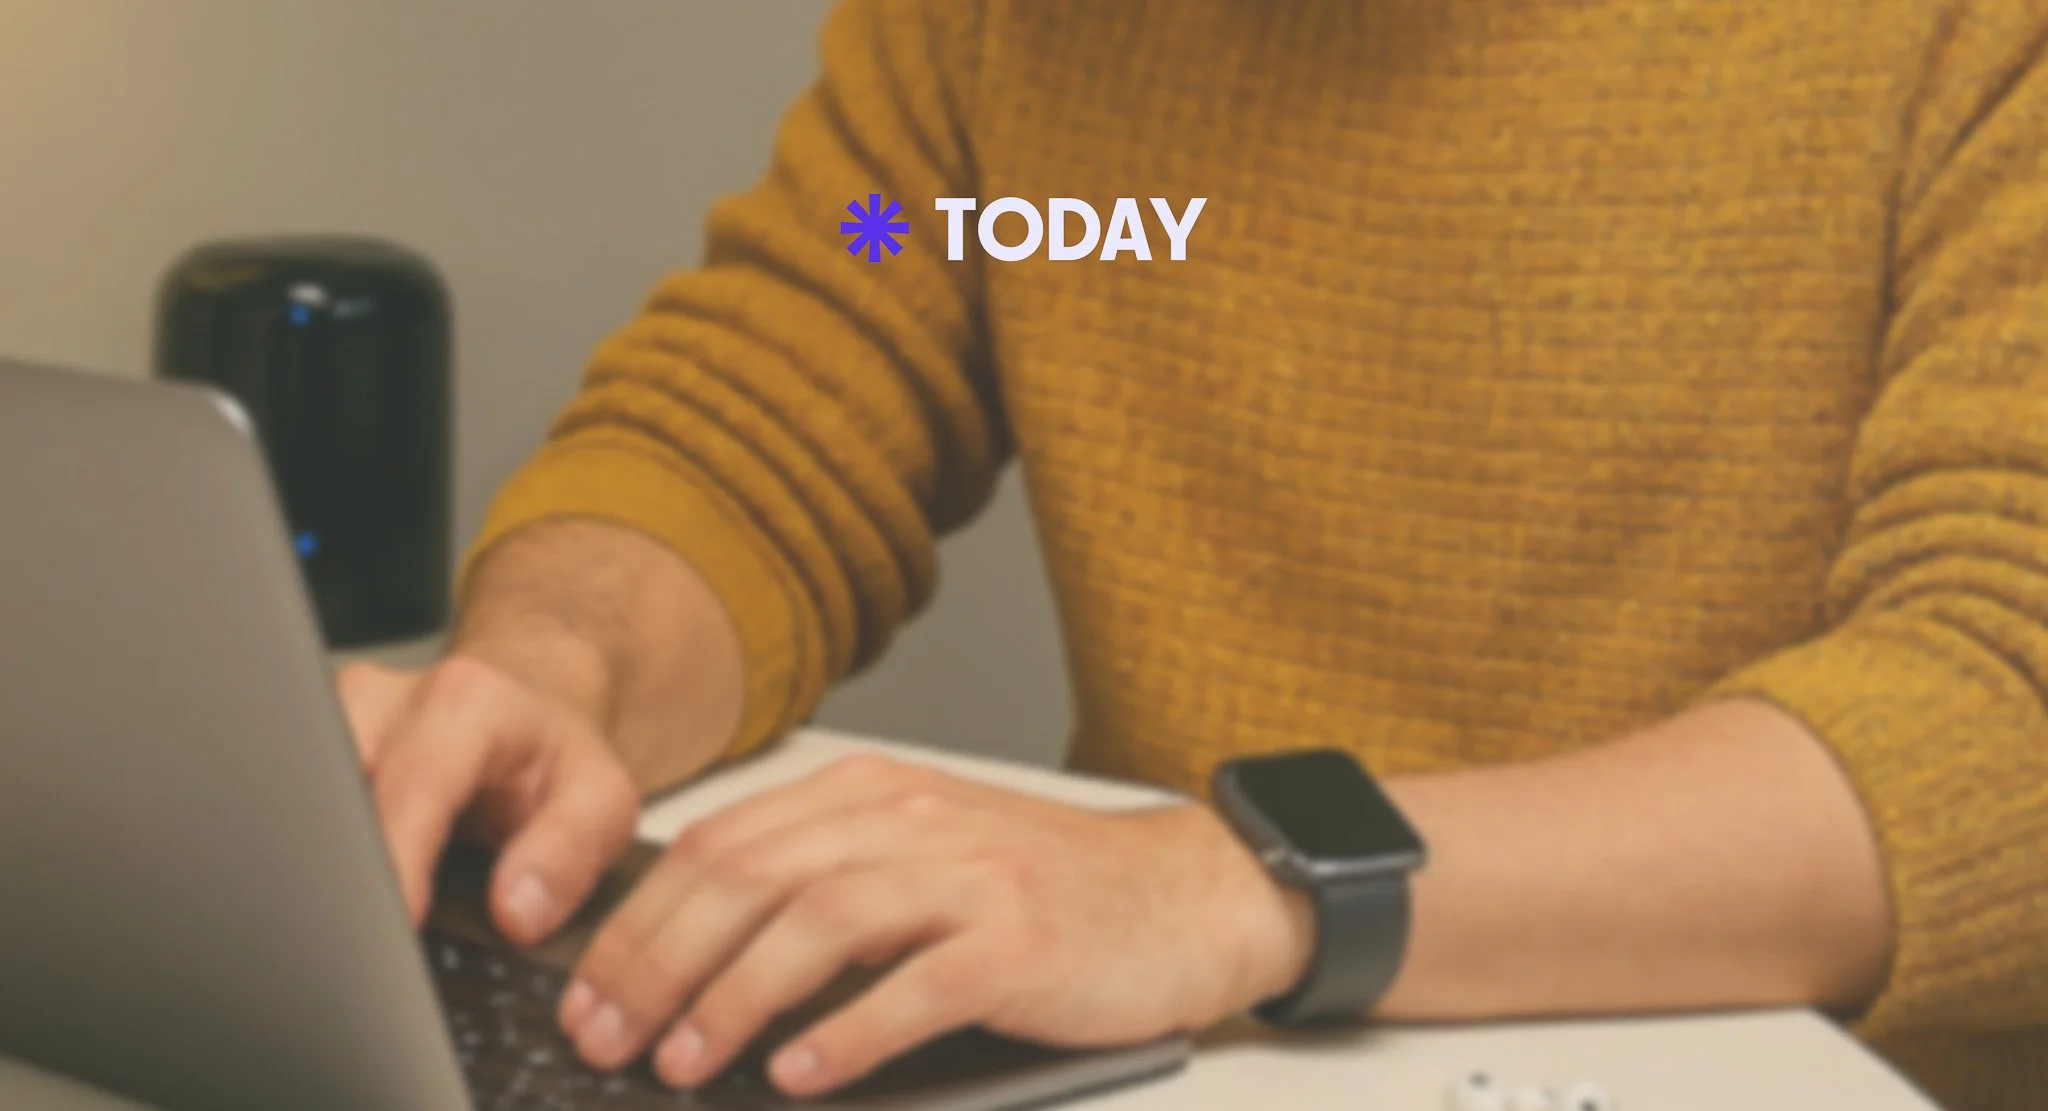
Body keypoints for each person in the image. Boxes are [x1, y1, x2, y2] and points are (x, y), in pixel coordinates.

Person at [336, 2, 2048, 1107]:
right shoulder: (1044, 47)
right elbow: (784, 370)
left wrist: (1246, 881)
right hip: (1173, 1054)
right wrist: (550, 672)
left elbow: (2001, 710)